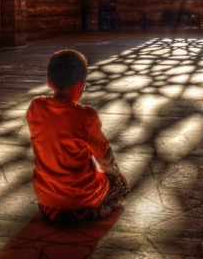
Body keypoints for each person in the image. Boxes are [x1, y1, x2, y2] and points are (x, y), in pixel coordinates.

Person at [27, 48, 129, 226]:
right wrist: (117, 176)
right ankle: (94, 209)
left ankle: (58, 210)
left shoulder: (35, 107)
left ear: (49, 82)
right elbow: (104, 156)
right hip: (81, 194)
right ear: (80, 85)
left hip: (45, 195)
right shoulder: (86, 116)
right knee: (119, 187)